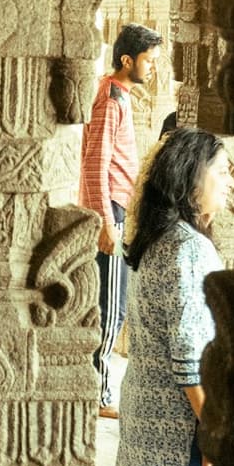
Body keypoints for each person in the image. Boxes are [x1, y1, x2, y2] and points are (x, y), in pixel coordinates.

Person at [107, 127, 232, 466]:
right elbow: (188, 352)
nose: (230, 181)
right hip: (175, 412)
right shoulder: (188, 248)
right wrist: (214, 426)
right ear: (192, 180)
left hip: (149, 401)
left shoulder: (159, 238)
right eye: (222, 170)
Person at [79, 23, 162, 415]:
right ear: (127, 60)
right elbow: (96, 162)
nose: (153, 69)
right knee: (112, 308)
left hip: (117, 208)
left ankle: (97, 388)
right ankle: (97, 392)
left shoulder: (117, 94)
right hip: (110, 209)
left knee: (112, 304)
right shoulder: (111, 99)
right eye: (149, 60)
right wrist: (106, 222)